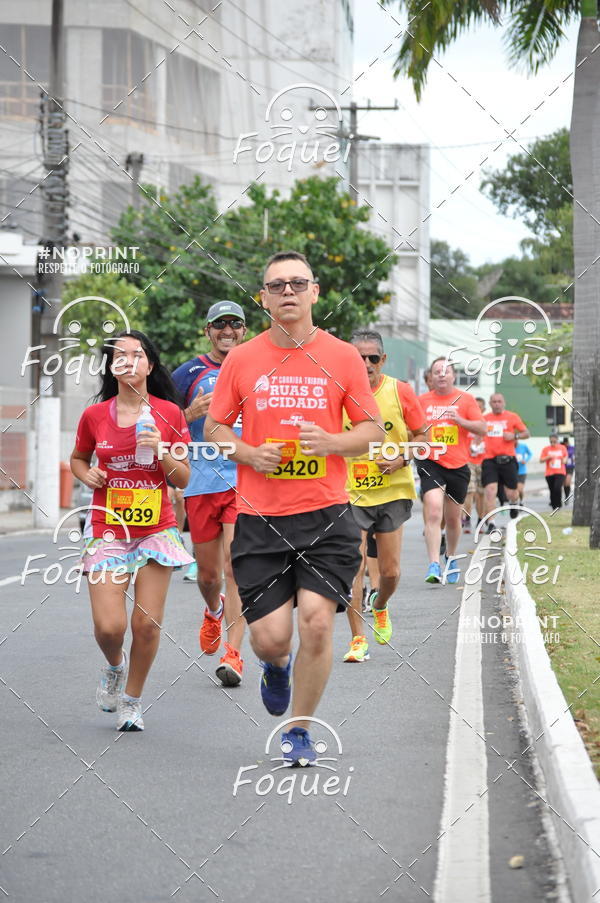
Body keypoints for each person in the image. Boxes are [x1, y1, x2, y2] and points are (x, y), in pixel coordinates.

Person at [205, 250, 381, 765]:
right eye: (276, 285)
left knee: (318, 623)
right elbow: (215, 428)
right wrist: (247, 452)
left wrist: (330, 442)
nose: (287, 291)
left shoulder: (344, 356)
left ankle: (299, 728)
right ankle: (275, 667)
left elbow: (371, 432)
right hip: (260, 518)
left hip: (327, 514)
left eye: (297, 283)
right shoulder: (242, 359)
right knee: (271, 640)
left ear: (315, 292)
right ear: (263, 297)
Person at [70, 331, 193, 732]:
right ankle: (114, 665)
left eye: (136, 355)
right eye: (118, 356)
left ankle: (132, 700)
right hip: (108, 528)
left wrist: (160, 450)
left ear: (149, 365)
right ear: (111, 367)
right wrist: (86, 472)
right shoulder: (94, 416)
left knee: (146, 623)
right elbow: (77, 458)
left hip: (156, 529)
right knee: (110, 627)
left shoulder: (170, 415)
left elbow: (184, 478)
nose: (127, 361)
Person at [172, 301, 247, 687]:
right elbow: (161, 421)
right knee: (208, 576)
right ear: (208, 331)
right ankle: (212, 609)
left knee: (237, 567)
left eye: (235, 323)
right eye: (220, 324)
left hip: (243, 480)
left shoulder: (257, 367)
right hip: (200, 483)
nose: (228, 330)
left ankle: (233, 654)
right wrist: (187, 415)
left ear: (244, 330)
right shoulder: (189, 373)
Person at [343, 329, 426, 663]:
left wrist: (403, 457)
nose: (365, 364)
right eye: (358, 358)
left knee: (389, 574)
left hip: (393, 492)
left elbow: (424, 438)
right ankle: (357, 639)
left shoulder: (399, 391)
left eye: (372, 358)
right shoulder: (339, 393)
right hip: (350, 493)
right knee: (352, 567)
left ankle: (379, 605)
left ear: (383, 360)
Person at [418, 358, 486, 584]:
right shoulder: (421, 401)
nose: (441, 375)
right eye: (436, 371)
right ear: (431, 377)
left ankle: (451, 556)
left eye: (445, 371)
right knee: (434, 511)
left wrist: (460, 420)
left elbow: (482, 428)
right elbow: (411, 430)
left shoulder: (465, 400)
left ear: (453, 376)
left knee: (453, 517)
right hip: (430, 461)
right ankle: (433, 564)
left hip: (457, 464)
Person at [482, 393, 530, 531]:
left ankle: (514, 503)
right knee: (490, 491)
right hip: (489, 460)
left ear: (504, 403)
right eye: (494, 401)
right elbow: (476, 434)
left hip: (508, 460)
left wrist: (514, 435)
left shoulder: (512, 417)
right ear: (490, 403)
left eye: (499, 401)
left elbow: (527, 433)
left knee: (512, 493)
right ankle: (491, 523)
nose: (497, 404)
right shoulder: (484, 419)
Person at [463, 397, 486, 533]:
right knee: (469, 491)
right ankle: (467, 519)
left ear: (483, 409)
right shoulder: (466, 422)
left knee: (481, 493)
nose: (476, 409)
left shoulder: (487, 422)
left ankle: (481, 520)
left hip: (484, 461)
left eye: (479, 407)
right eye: (475, 407)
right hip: (468, 461)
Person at [540, 434, 568, 510]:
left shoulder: (562, 448)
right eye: (551, 442)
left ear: (557, 440)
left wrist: (564, 460)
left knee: (557, 488)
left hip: (560, 472)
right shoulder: (546, 449)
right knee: (552, 489)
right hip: (549, 473)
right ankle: (553, 505)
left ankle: (558, 504)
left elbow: (565, 458)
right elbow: (541, 460)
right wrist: (547, 457)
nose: (552, 443)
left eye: (554, 441)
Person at [561, 436, 575, 502]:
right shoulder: (562, 447)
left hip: (570, 467)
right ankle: (566, 496)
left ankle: (567, 497)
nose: (566, 444)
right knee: (564, 483)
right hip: (563, 466)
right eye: (565, 443)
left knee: (567, 482)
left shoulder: (572, 448)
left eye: (567, 442)